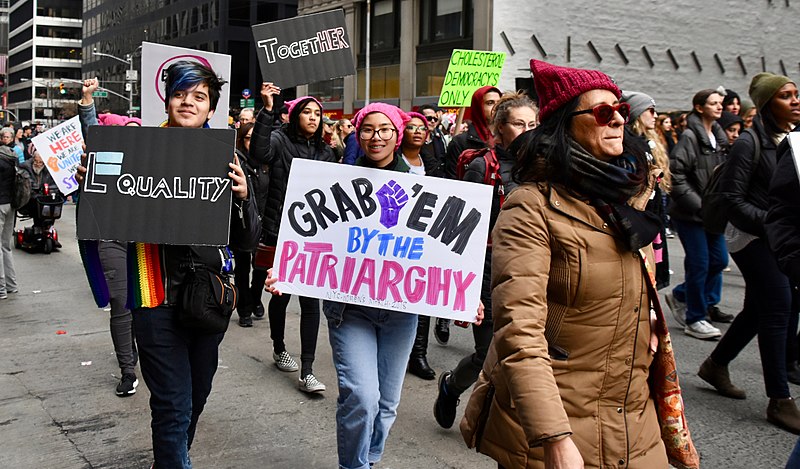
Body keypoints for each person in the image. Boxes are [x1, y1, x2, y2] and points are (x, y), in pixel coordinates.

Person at [461, 59, 670, 468]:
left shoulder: (630, 199)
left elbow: (637, 284)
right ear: (566, 127)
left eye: (621, 111)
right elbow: (520, 333)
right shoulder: (531, 207)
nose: (616, 121)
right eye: (602, 112)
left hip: (632, 416)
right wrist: (554, 438)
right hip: (557, 420)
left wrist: (645, 324)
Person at [77, 61, 260, 466]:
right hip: (153, 295)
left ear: (211, 108)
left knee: (195, 399)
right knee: (171, 406)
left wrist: (244, 198)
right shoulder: (139, 151)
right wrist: (91, 184)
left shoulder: (228, 158)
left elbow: (247, 241)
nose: (188, 103)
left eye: (199, 97)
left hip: (208, 301)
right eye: (180, 94)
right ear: (167, 101)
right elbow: (101, 213)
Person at [315, 102, 483, 469]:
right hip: (350, 308)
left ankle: (371, 456)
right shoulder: (335, 181)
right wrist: (288, 270)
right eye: (368, 130)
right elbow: (314, 238)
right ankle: (354, 465)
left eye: (385, 129)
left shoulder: (423, 187)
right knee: (361, 396)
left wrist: (466, 293)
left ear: (397, 133)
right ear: (358, 134)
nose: (376, 137)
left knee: (387, 403)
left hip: (400, 312)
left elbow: (441, 250)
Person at [699, 73, 800, 434]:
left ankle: (715, 364)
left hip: (777, 235)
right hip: (750, 236)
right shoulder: (750, 142)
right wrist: (776, 223)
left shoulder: (792, 140)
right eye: (785, 96)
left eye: (796, 94)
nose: (795, 100)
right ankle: (780, 400)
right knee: (778, 306)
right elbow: (732, 200)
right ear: (767, 103)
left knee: (758, 308)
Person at [434, 91, 537, 429]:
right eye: (519, 124)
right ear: (500, 127)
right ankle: (451, 386)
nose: (528, 130)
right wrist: (470, 287)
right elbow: (465, 231)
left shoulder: (543, 166)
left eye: (533, 124)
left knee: (526, 353)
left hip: (533, 271)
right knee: (487, 355)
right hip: (490, 270)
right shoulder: (483, 166)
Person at [250, 83, 336, 393]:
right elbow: (257, 152)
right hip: (281, 233)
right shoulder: (279, 140)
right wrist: (268, 110)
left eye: (318, 114)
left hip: (313, 235)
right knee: (281, 296)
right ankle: (278, 346)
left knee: (311, 302)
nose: (313, 118)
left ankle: (308, 370)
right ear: (296, 115)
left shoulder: (327, 152)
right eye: (308, 112)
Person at [665, 88, 733, 339]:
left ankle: (682, 294)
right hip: (691, 213)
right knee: (700, 264)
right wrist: (699, 205)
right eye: (713, 103)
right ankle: (695, 318)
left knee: (719, 261)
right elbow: (677, 175)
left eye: (720, 103)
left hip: (712, 213)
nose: (719, 107)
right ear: (699, 107)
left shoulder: (719, 136)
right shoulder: (690, 137)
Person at [399, 112, 448, 380]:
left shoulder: (433, 163)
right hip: (396, 234)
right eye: (411, 127)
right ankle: (399, 349)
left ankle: (419, 354)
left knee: (421, 294)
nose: (417, 131)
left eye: (421, 128)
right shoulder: (393, 162)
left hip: (425, 236)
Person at [622, 90, 672, 290]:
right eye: (650, 110)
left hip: (653, 214)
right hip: (641, 217)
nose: (656, 115)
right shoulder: (630, 146)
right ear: (636, 113)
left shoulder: (647, 144)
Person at [232, 122, 267, 328]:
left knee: (261, 267)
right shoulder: (237, 160)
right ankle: (244, 309)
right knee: (242, 269)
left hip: (264, 223)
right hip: (243, 223)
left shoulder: (266, 162)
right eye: (248, 137)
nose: (252, 142)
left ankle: (256, 297)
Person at [0, 134, 18, 300]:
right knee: (6, 246)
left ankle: (1, 289)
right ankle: (11, 285)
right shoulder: (12, 156)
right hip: (11, 204)